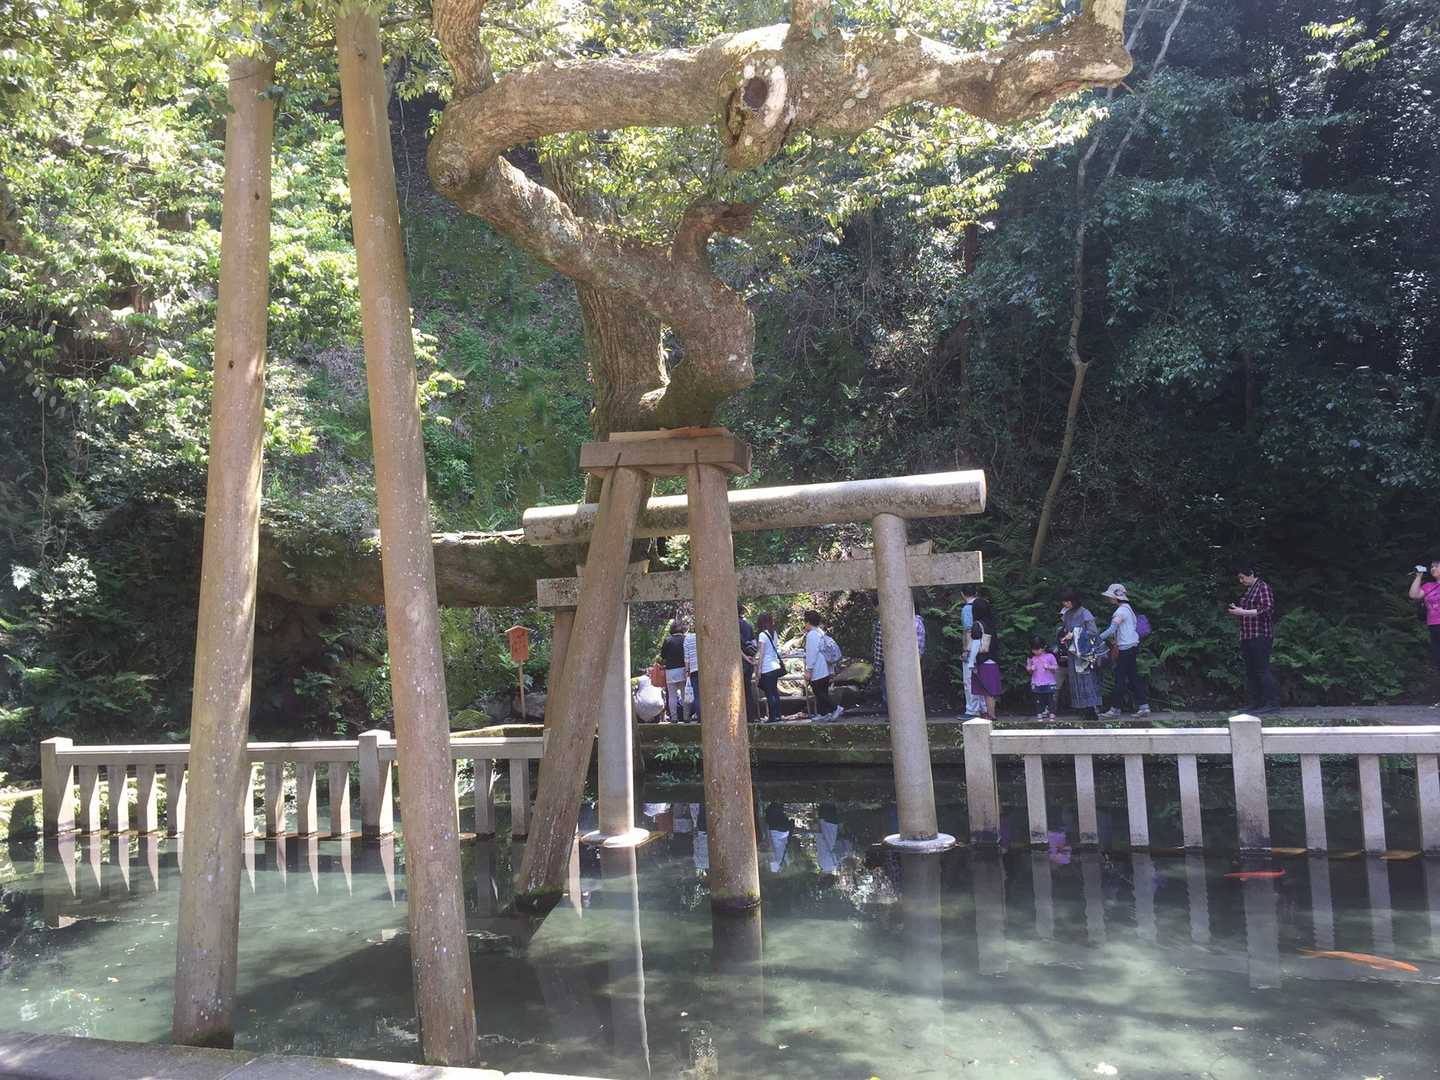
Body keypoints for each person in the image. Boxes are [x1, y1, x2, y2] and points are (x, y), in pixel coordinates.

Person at [1228, 562, 1279, 714]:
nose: (1241, 581)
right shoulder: (1250, 590)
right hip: (1247, 635)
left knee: (1262, 670)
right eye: (1239, 578)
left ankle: (1272, 703)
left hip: (1260, 635)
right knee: (1250, 671)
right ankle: (1255, 703)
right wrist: (1238, 610)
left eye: (1242, 577)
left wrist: (1243, 612)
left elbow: (1267, 609)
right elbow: (1248, 610)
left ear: (1251, 574)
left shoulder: (1262, 587)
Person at [1097, 583, 1151, 718]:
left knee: (1119, 678)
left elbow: (1111, 629)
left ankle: (1115, 709)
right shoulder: (1128, 609)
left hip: (1125, 648)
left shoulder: (1120, 612)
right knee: (1133, 677)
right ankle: (1144, 706)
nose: (1109, 599)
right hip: (1133, 647)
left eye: (1111, 597)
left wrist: (1096, 639)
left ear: (1116, 597)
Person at [1059, 588, 1101, 722]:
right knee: (1076, 680)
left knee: (1086, 679)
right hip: (1073, 653)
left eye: (1068, 601)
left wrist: (1075, 634)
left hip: (1084, 653)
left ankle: (1092, 709)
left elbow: (1093, 632)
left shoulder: (1085, 613)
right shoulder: (1067, 614)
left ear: (1074, 601)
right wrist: (1065, 637)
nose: (1065, 604)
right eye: (1064, 602)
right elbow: (1067, 630)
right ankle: (1082, 709)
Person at [873, 611, 926, 708]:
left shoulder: (884, 621)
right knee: (910, 698)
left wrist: (877, 667)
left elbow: (880, 649)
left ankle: (893, 712)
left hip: (891, 668)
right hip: (911, 667)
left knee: (891, 699)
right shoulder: (918, 622)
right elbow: (920, 649)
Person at [803, 609, 843, 721]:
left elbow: (811, 654)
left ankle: (836, 708)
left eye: (805, 622)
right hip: (825, 667)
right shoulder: (820, 632)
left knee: (819, 692)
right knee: (823, 691)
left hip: (817, 669)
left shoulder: (811, 635)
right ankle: (823, 713)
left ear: (808, 622)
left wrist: (808, 670)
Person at [1409, 559, 1440, 680]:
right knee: (1437, 656)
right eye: (1432, 567)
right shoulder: (1428, 586)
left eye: (1437, 566)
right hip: (1434, 625)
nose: (1433, 568)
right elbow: (1413, 595)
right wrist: (1418, 577)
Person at [755, 612, 786, 722]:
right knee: (774, 692)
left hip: (767, 667)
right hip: (775, 665)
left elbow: (762, 653)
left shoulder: (762, 635)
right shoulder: (774, 633)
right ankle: (778, 715)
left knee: (769, 693)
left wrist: (759, 669)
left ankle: (772, 717)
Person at [658, 619, 688, 723]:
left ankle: (674, 718)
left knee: (672, 696)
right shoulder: (685, 639)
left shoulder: (668, 640)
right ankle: (686, 717)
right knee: (684, 695)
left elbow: (663, 656)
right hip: (683, 669)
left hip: (670, 670)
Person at [1027, 636, 1059, 720]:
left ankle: (1052, 714)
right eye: (1034, 650)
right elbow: (1028, 669)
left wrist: (1049, 667)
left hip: (1049, 682)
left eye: (1038, 649)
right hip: (1037, 682)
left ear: (1044, 647)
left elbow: (1056, 667)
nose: (1036, 652)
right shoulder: (1031, 658)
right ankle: (1039, 713)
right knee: (1038, 699)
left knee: (1050, 698)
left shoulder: (1050, 656)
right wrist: (1031, 669)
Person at [739, 604, 759, 723]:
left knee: (738, 690)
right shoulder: (748, 625)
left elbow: (735, 646)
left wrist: (745, 657)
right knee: (748, 689)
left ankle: (741, 717)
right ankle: (751, 716)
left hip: (740, 661)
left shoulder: (732, 625)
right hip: (749, 661)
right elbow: (754, 643)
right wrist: (752, 657)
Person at [684, 625, 701, 723]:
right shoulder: (706, 636)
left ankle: (700, 717)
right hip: (706, 669)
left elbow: (686, 657)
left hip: (694, 669)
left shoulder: (688, 639)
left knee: (697, 695)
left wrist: (687, 671)